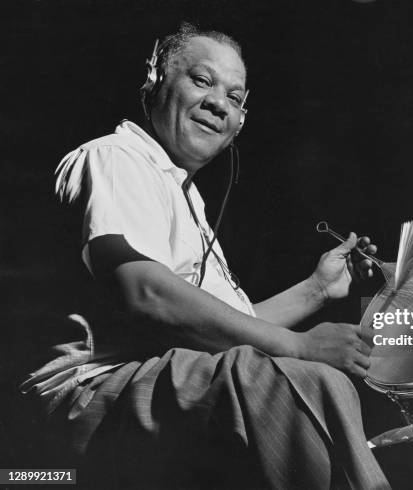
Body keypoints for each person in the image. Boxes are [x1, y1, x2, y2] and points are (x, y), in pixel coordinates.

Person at [20, 22, 390, 489]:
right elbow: (146, 291)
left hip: (154, 380)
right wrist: (298, 345)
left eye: (235, 98)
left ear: (240, 123)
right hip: (92, 391)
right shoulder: (116, 158)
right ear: (155, 82)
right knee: (303, 382)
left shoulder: (182, 193)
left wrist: (316, 289)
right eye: (202, 80)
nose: (220, 103)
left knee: (271, 373)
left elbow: (222, 325)